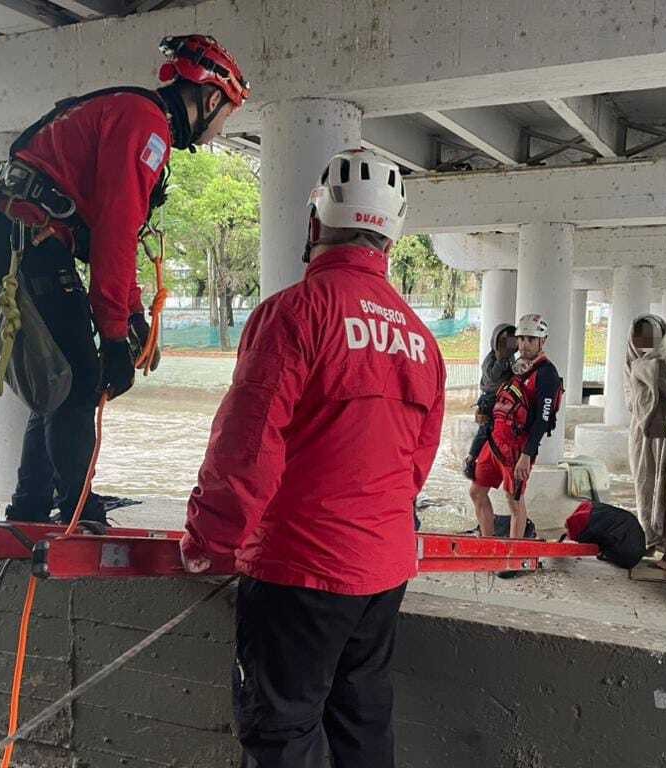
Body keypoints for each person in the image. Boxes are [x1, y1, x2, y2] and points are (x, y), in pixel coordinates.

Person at [179, 149, 445, 766]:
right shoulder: (419, 339)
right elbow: (414, 467)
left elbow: (245, 447)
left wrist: (211, 540)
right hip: (381, 575)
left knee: (282, 736)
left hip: (297, 573)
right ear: (392, 235)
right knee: (362, 728)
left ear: (315, 223)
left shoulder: (295, 313)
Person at [0, 35, 248, 525]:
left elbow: (115, 230)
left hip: (22, 235)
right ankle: (77, 509)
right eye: (225, 116)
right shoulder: (146, 127)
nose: (220, 130)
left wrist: (135, 311)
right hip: (31, 238)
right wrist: (116, 336)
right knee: (78, 376)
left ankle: (33, 504)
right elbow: (116, 233)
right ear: (210, 99)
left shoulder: (135, 115)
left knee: (61, 373)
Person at [468, 313, 562, 540]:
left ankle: (514, 556)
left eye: (530, 339)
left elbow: (543, 419)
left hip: (517, 449)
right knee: (477, 492)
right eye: (521, 339)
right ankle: (488, 546)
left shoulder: (547, 373)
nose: (524, 345)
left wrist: (527, 455)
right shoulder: (514, 368)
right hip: (495, 440)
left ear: (542, 341)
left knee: (514, 500)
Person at [625, 314, 666, 569]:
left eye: (650, 336)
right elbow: (631, 399)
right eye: (639, 337)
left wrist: (646, 370)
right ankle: (650, 539)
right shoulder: (632, 361)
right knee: (645, 485)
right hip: (643, 434)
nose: (644, 343)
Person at [463, 322, 516, 480]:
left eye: (511, 341)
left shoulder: (511, 358)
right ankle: (471, 459)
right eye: (503, 341)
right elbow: (492, 376)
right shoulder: (491, 359)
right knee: (484, 431)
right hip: (489, 398)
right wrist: (500, 360)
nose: (507, 345)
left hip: (503, 397)